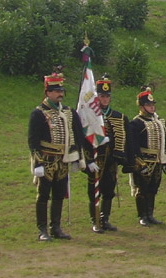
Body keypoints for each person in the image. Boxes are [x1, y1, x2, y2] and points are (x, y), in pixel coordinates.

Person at [28, 68, 86, 241]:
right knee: (43, 195)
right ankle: (42, 229)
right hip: (46, 159)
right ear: (48, 92)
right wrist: (38, 163)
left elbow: (77, 136)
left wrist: (77, 157)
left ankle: (56, 227)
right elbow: (33, 140)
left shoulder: (69, 112)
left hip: (63, 160)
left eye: (61, 90)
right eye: (56, 91)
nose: (60, 94)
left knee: (59, 194)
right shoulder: (38, 113)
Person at [85, 74, 130, 233]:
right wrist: (88, 160)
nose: (105, 99)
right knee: (94, 190)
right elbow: (85, 139)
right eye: (102, 96)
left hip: (111, 159)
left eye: (107, 96)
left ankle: (105, 219)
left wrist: (122, 156)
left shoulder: (118, 116)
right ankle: (95, 219)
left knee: (109, 190)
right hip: (97, 158)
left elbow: (123, 138)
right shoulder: (90, 116)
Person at [129, 86, 166, 226]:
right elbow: (133, 145)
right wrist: (139, 162)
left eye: (152, 104)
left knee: (153, 188)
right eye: (148, 105)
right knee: (141, 189)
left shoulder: (159, 122)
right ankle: (142, 215)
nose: (151, 107)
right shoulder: (136, 123)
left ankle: (150, 214)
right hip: (143, 161)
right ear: (141, 107)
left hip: (157, 161)